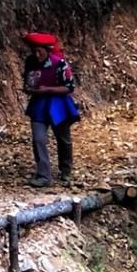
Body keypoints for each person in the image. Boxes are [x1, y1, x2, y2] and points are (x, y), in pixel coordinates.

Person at [22, 32, 80, 187]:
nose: (36, 53)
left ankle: (66, 170)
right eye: (34, 50)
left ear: (47, 50)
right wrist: (30, 89)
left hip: (58, 104)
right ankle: (43, 175)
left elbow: (69, 87)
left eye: (39, 50)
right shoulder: (30, 62)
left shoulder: (60, 64)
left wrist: (47, 89)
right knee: (38, 139)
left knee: (63, 138)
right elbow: (27, 80)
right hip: (38, 104)